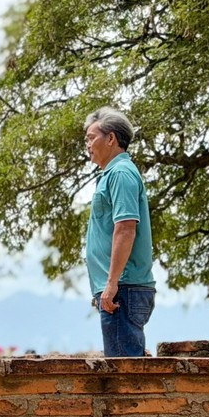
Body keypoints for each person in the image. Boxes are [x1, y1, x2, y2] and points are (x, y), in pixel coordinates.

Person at [83, 108, 155, 356]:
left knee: (124, 381)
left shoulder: (121, 174)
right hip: (119, 289)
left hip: (123, 289)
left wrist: (111, 284)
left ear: (111, 139)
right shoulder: (111, 175)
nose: (88, 145)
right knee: (125, 376)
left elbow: (125, 229)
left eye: (91, 138)